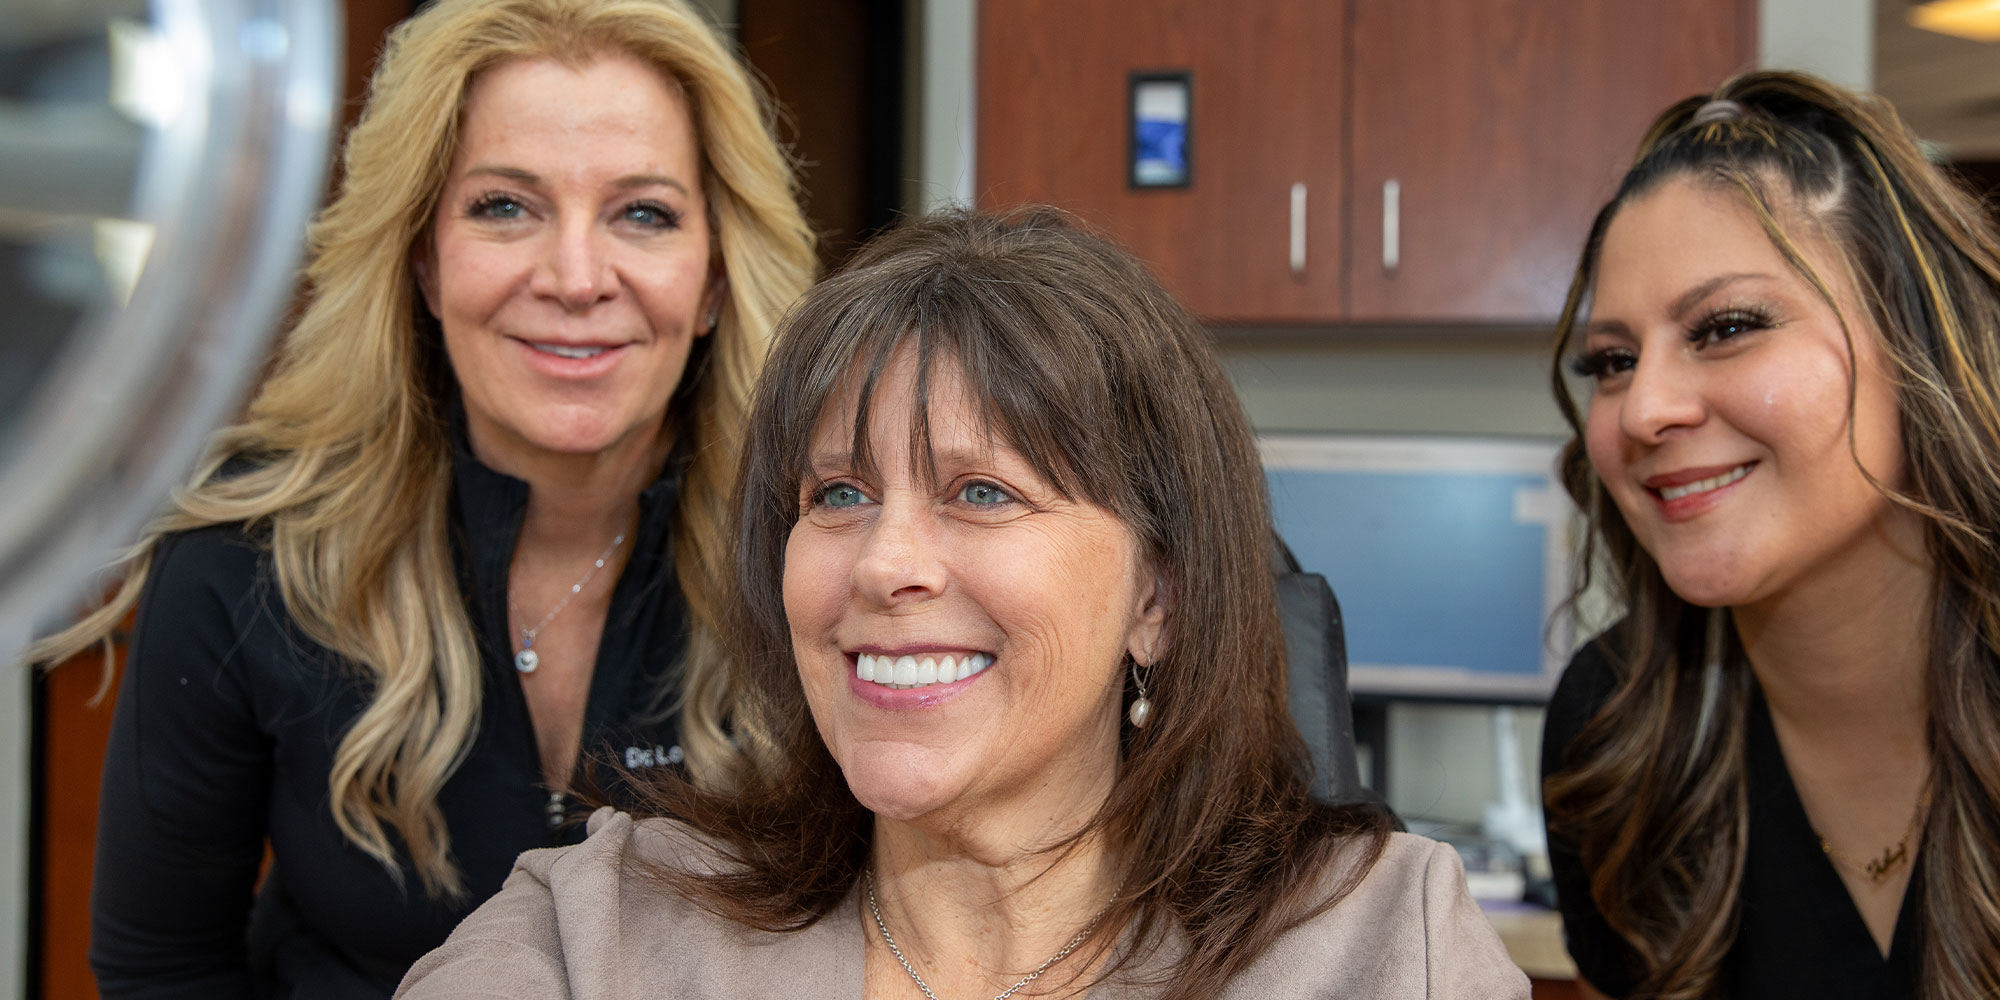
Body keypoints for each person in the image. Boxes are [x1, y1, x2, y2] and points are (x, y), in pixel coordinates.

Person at [394, 208, 1528, 999]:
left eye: (981, 491)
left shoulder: (1385, 946)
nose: (886, 564)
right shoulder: (601, 927)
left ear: (1159, 596)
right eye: (837, 492)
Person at [26, 0, 816, 996]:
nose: (576, 277)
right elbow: (161, 967)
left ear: (711, 277)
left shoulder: (816, 549)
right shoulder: (248, 553)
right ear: (423, 260)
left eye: (642, 213)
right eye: (504, 206)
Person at [1541, 70, 2000, 1000]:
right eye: (1614, 361)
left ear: (1918, 349)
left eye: (1728, 327)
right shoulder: (1613, 731)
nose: (1644, 412)